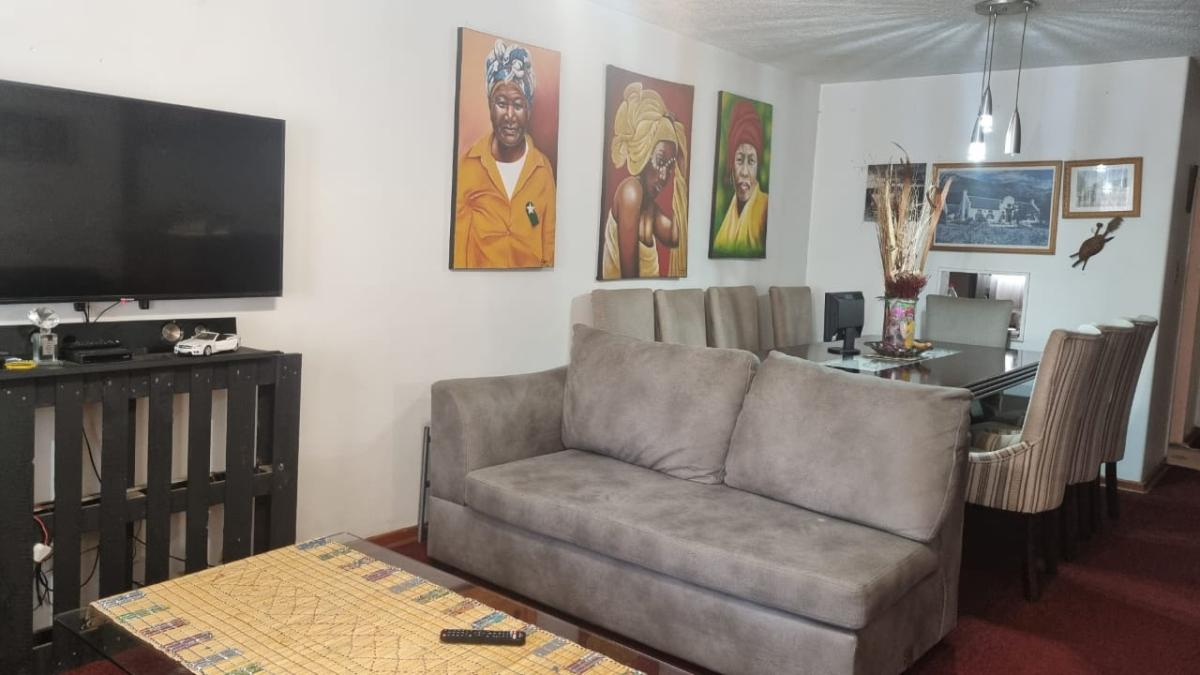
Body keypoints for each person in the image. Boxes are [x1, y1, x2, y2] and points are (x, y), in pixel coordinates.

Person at [453, 40, 556, 269]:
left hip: (531, 284)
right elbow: (458, 251)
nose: (509, 116)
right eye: (501, 103)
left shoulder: (543, 170)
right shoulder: (468, 167)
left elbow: (548, 246)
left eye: (518, 105)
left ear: (528, 111)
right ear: (490, 106)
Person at [601, 82, 688, 279]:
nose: (664, 176)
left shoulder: (649, 208)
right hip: (634, 298)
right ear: (645, 154)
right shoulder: (631, 192)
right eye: (660, 161)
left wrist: (682, 175)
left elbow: (676, 238)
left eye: (670, 166)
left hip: (645, 296)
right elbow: (630, 280)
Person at [711, 100, 768, 257]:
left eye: (751, 161)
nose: (744, 172)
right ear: (731, 165)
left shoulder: (765, 208)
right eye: (739, 160)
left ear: (758, 166)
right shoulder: (726, 225)